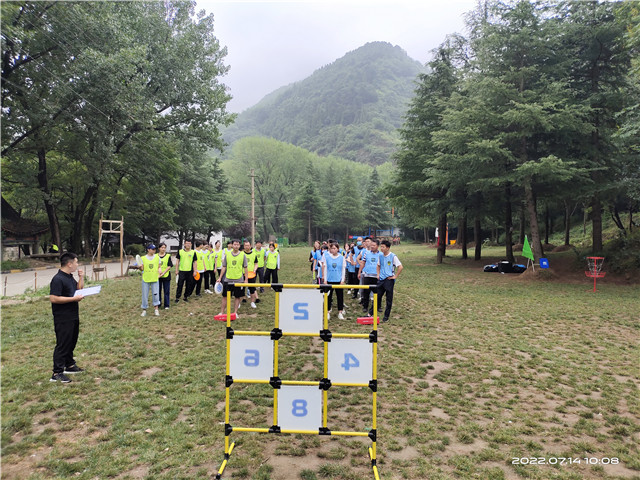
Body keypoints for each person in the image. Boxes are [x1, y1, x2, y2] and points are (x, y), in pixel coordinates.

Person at [49, 252, 85, 383]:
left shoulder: (69, 277)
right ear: (69, 264)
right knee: (63, 343)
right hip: (63, 316)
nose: (77, 265)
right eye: (76, 262)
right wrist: (73, 299)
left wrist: (81, 278)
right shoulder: (58, 279)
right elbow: (53, 298)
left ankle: (69, 365)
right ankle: (57, 372)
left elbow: (78, 289)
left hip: (73, 314)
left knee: (72, 340)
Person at [216, 239, 248, 318]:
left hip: (239, 280)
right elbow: (224, 267)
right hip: (228, 279)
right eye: (234, 244)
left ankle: (235, 312)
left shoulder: (243, 255)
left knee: (237, 297)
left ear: (239, 246)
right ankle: (222, 312)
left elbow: (245, 268)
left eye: (237, 244)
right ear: (232, 245)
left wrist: (246, 279)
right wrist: (220, 277)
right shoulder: (227, 255)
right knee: (225, 297)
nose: (236, 246)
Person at [377, 240, 403, 323]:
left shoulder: (393, 256)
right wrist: (378, 274)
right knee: (377, 296)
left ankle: (386, 316)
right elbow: (378, 265)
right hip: (381, 279)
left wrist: (395, 276)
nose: (381, 248)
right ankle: (371, 313)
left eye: (383, 247)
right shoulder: (380, 256)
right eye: (381, 246)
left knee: (389, 299)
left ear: (387, 248)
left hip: (389, 280)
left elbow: (400, 267)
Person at [322, 241, 346, 320]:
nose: (333, 250)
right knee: (328, 297)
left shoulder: (342, 258)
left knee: (340, 297)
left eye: (335, 248)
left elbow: (343, 269)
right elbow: (325, 269)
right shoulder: (327, 257)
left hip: (338, 280)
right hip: (329, 280)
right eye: (331, 248)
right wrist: (325, 280)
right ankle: (328, 311)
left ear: (338, 249)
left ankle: (340, 312)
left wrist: (342, 280)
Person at [358, 238, 381, 316]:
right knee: (366, 292)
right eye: (371, 245)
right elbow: (363, 263)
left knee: (377, 293)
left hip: (376, 276)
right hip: (367, 275)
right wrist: (359, 272)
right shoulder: (366, 253)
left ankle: (377, 306)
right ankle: (365, 306)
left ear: (377, 246)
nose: (372, 247)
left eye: (374, 245)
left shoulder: (380, 255)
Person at [139, 244, 161, 317]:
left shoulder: (157, 257)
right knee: (145, 295)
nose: (154, 250)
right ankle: (144, 310)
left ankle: (156, 309)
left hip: (154, 278)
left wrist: (159, 272)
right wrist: (140, 267)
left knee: (156, 294)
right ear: (148, 249)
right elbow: (142, 269)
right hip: (146, 278)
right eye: (152, 249)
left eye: (155, 249)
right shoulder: (143, 258)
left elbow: (159, 266)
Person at [243, 240, 259, 308]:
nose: (247, 247)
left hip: (251, 274)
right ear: (244, 246)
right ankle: (242, 300)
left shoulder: (254, 254)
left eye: (248, 245)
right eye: (245, 245)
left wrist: (254, 270)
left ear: (250, 246)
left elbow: (256, 264)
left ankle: (252, 302)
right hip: (243, 274)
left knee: (252, 289)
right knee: (241, 289)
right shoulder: (241, 254)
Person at [157, 243, 173, 309]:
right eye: (162, 247)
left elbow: (169, 266)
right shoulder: (156, 256)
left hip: (166, 276)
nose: (163, 249)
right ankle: (158, 303)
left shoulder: (168, 256)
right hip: (158, 276)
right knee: (158, 291)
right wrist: (159, 272)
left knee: (166, 291)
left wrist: (163, 273)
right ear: (159, 248)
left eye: (164, 248)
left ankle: (166, 305)